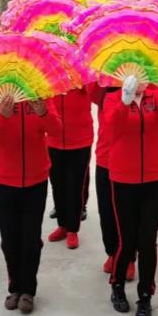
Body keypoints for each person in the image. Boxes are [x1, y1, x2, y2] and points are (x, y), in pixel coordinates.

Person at [0, 94, 61, 314]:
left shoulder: (41, 96)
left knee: (31, 239)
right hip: (3, 180)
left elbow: (56, 130)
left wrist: (43, 113)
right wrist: (2, 117)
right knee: (10, 239)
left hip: (36, 179)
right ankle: (14, 288)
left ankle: (28, 290)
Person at [104, 76, 158, 316]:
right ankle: (117, 284)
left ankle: (145, 295)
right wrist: (124, 100)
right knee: (127, 239)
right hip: (123, 178)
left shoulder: (155, 98)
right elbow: (112, 128)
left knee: (148, 240)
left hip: (153, 177)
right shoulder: (112, 99)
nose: (140, 81)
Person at [86, 83, 136, 280]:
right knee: (106, 211)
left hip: (129, 158)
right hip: (106, 157)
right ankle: (112, 253)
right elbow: (92, 94)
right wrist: (103, 78)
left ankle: (129, 257)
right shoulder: (105, 88)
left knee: (129, 213)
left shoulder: (141, 85)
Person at [46, 87, 94, 249]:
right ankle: (62, 225)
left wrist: (83, 83)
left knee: (75, 186)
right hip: (54, 138)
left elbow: (95, 94)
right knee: (57, 185)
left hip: (80, 139)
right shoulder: (51, 76)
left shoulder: (83, 75)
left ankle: (73, 229)